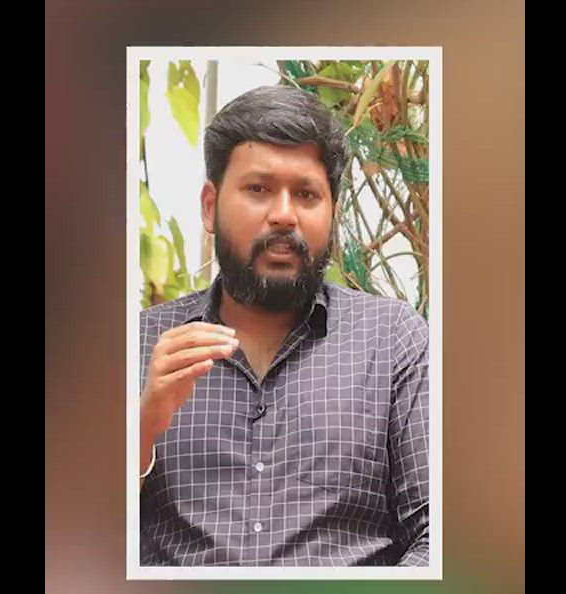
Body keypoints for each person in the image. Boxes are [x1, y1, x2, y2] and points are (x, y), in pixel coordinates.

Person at [139, 85, 429, 566]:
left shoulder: (393, 342)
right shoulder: (138, 346)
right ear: (210, 206)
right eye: (258, 189)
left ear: (332, 212)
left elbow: (441, 537)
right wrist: (139, 431)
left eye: (307, 194)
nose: (283, 215)